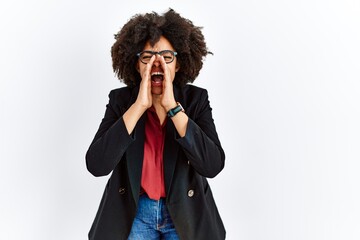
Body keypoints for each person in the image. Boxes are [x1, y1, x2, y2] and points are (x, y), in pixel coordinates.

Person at [85, 8, 226, 240]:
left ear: (178, 65)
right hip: (134, 213)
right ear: (137, 65)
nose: (156, 65)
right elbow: (96, 165)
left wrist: (173, 109)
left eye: (166, 57)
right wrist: (139, 106)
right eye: (147, 58)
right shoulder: (121, 101)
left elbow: (212, 166)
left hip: (185, 213)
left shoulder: (196, 100)